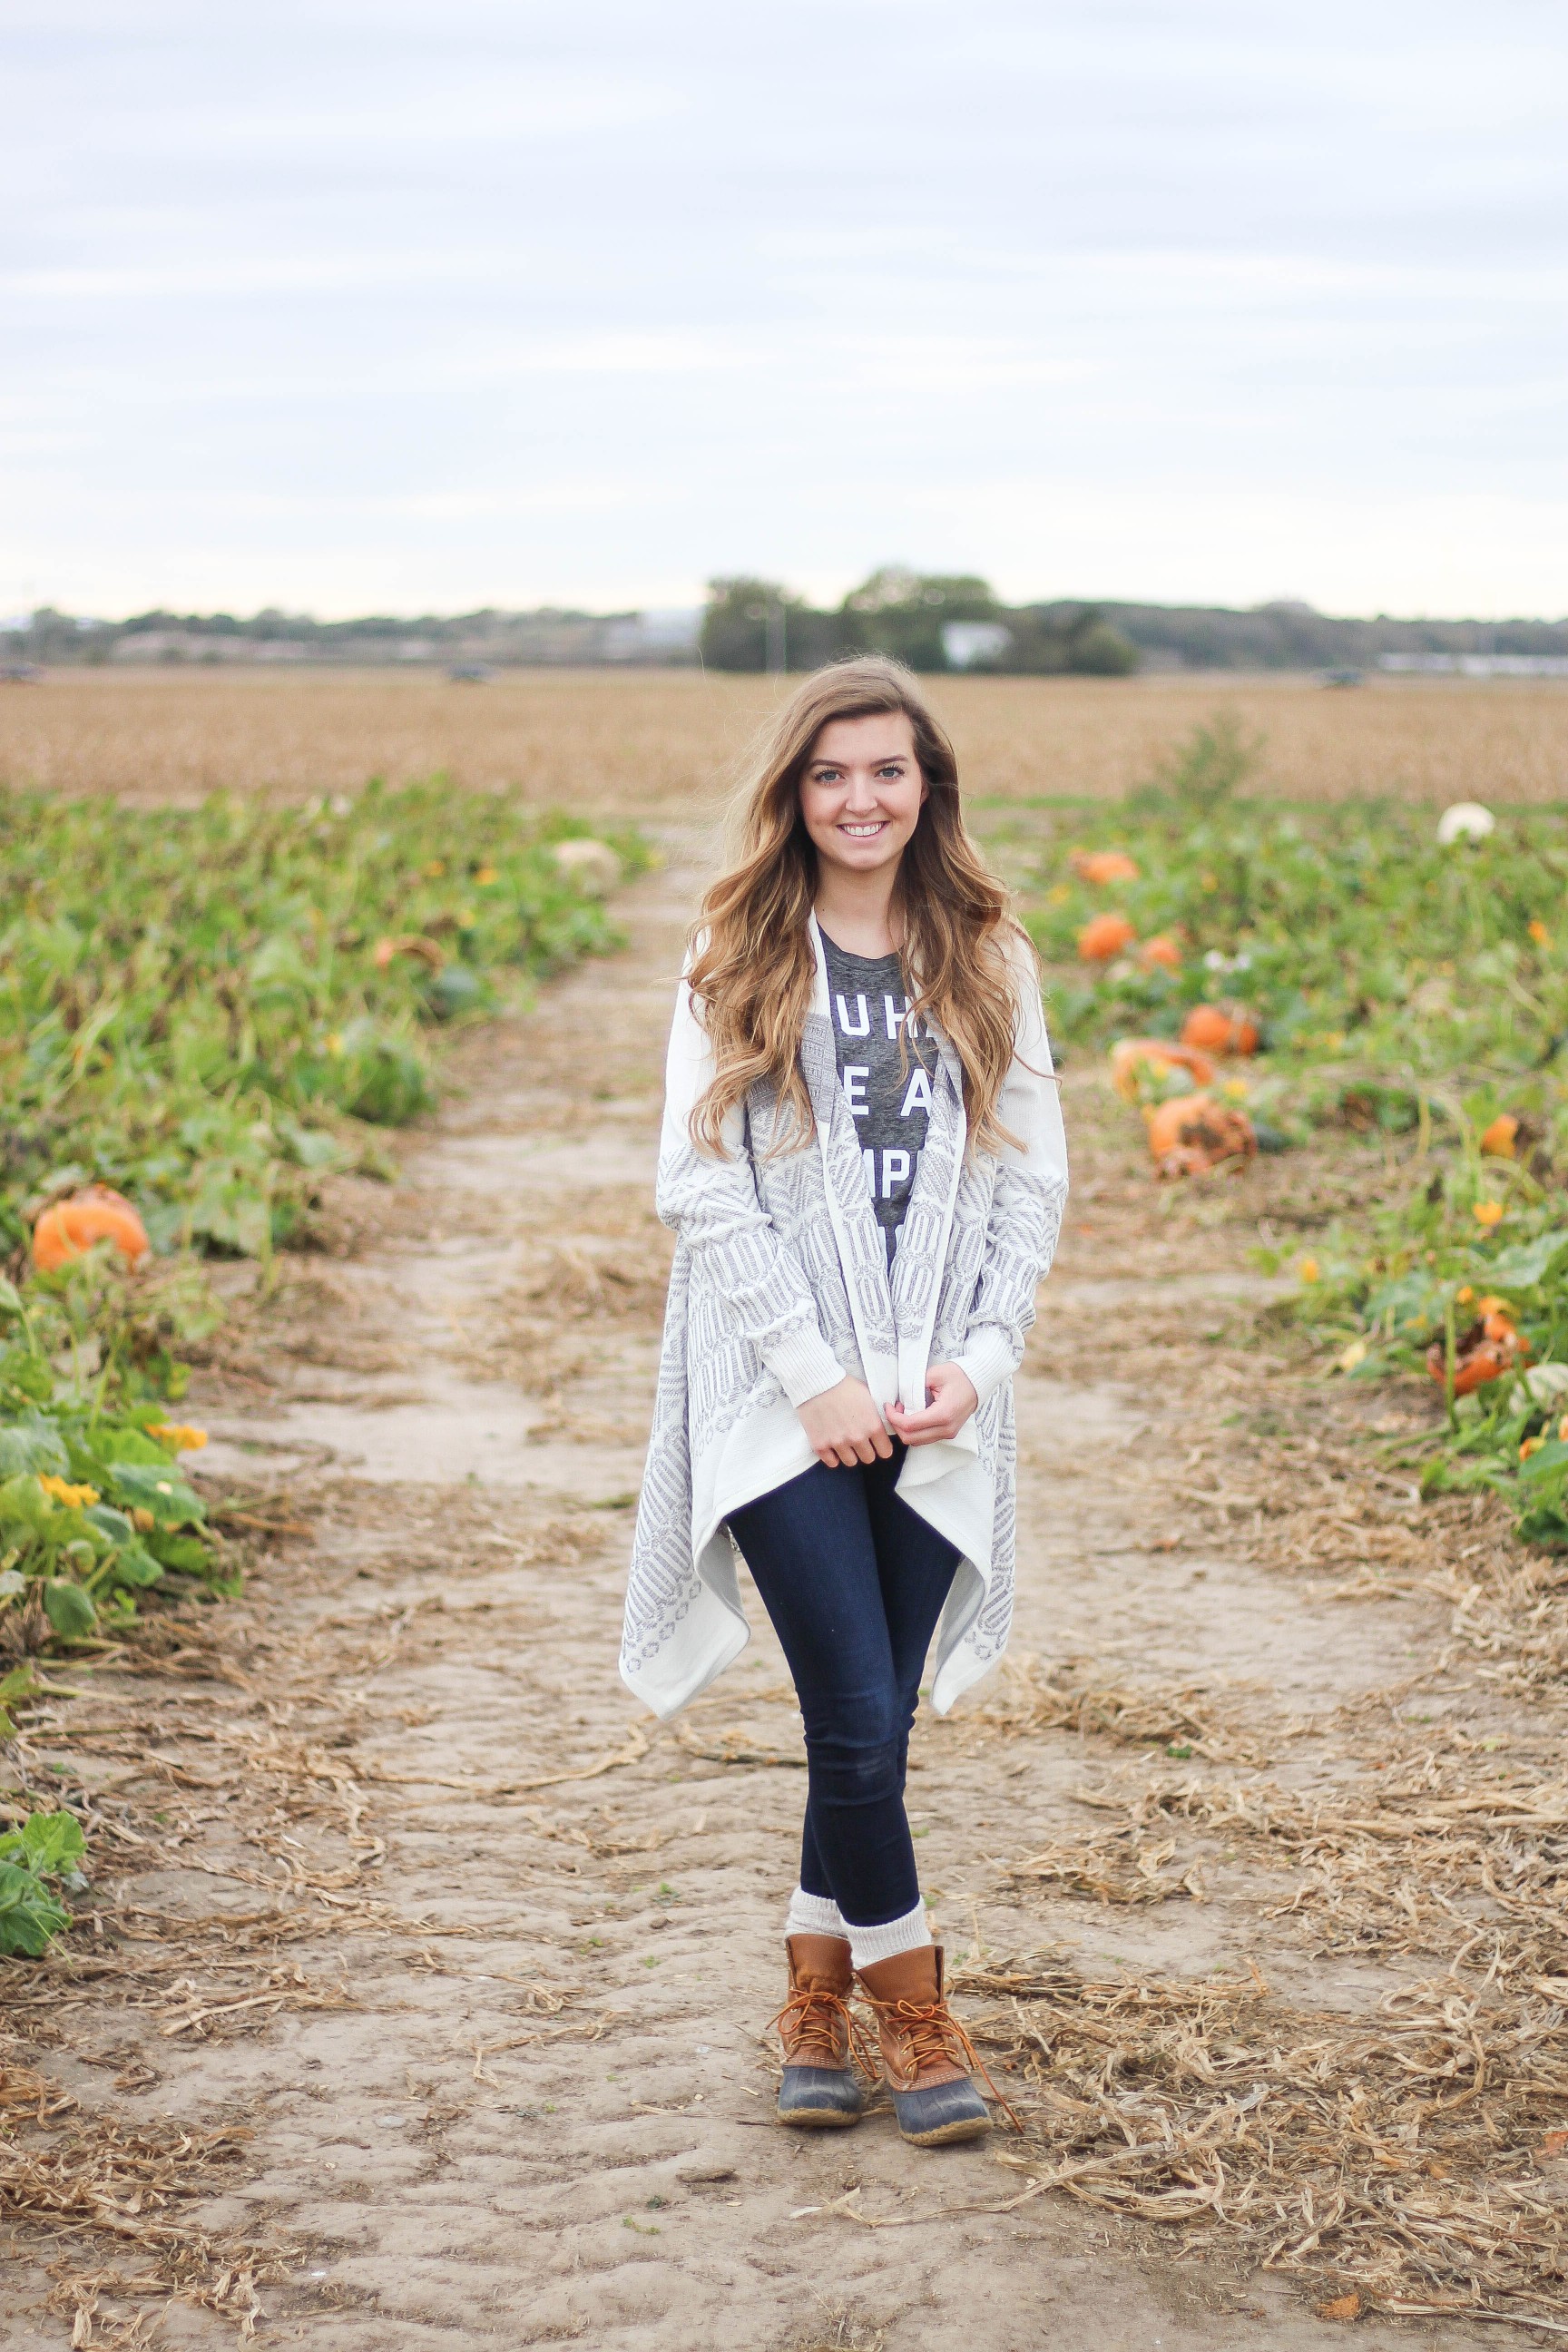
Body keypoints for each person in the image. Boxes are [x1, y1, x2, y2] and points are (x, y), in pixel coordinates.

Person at [621, 658, 1068, 2146]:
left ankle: (813, 1984)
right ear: (794, 795)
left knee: (867, 1738)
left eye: (886, 770)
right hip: (777, 1397)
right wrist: (814, 1379)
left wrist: (980, 1363)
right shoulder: (736, 949)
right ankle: (914, 2009)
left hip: (941, 1393)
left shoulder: (989, 957)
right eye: (830, 774)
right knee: (859, 1713)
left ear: (926, 784)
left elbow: (1025, 1175)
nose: (861, 799)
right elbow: (700, 1181)